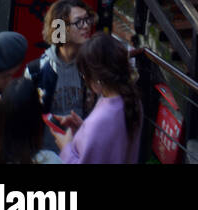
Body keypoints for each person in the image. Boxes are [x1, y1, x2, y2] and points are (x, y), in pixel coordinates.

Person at [56, 33, 141, 164]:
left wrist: (65, 147)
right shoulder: (132, 99)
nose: (84, 79)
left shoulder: (99, 120)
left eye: (84, 75)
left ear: (96, 78)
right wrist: (83, 129)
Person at [26, 0, 95, 128]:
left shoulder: (91, 67)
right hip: (46, 147)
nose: (86, 26)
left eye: (87, 19)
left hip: (80, 145)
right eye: (79, 22)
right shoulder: (37, 70)